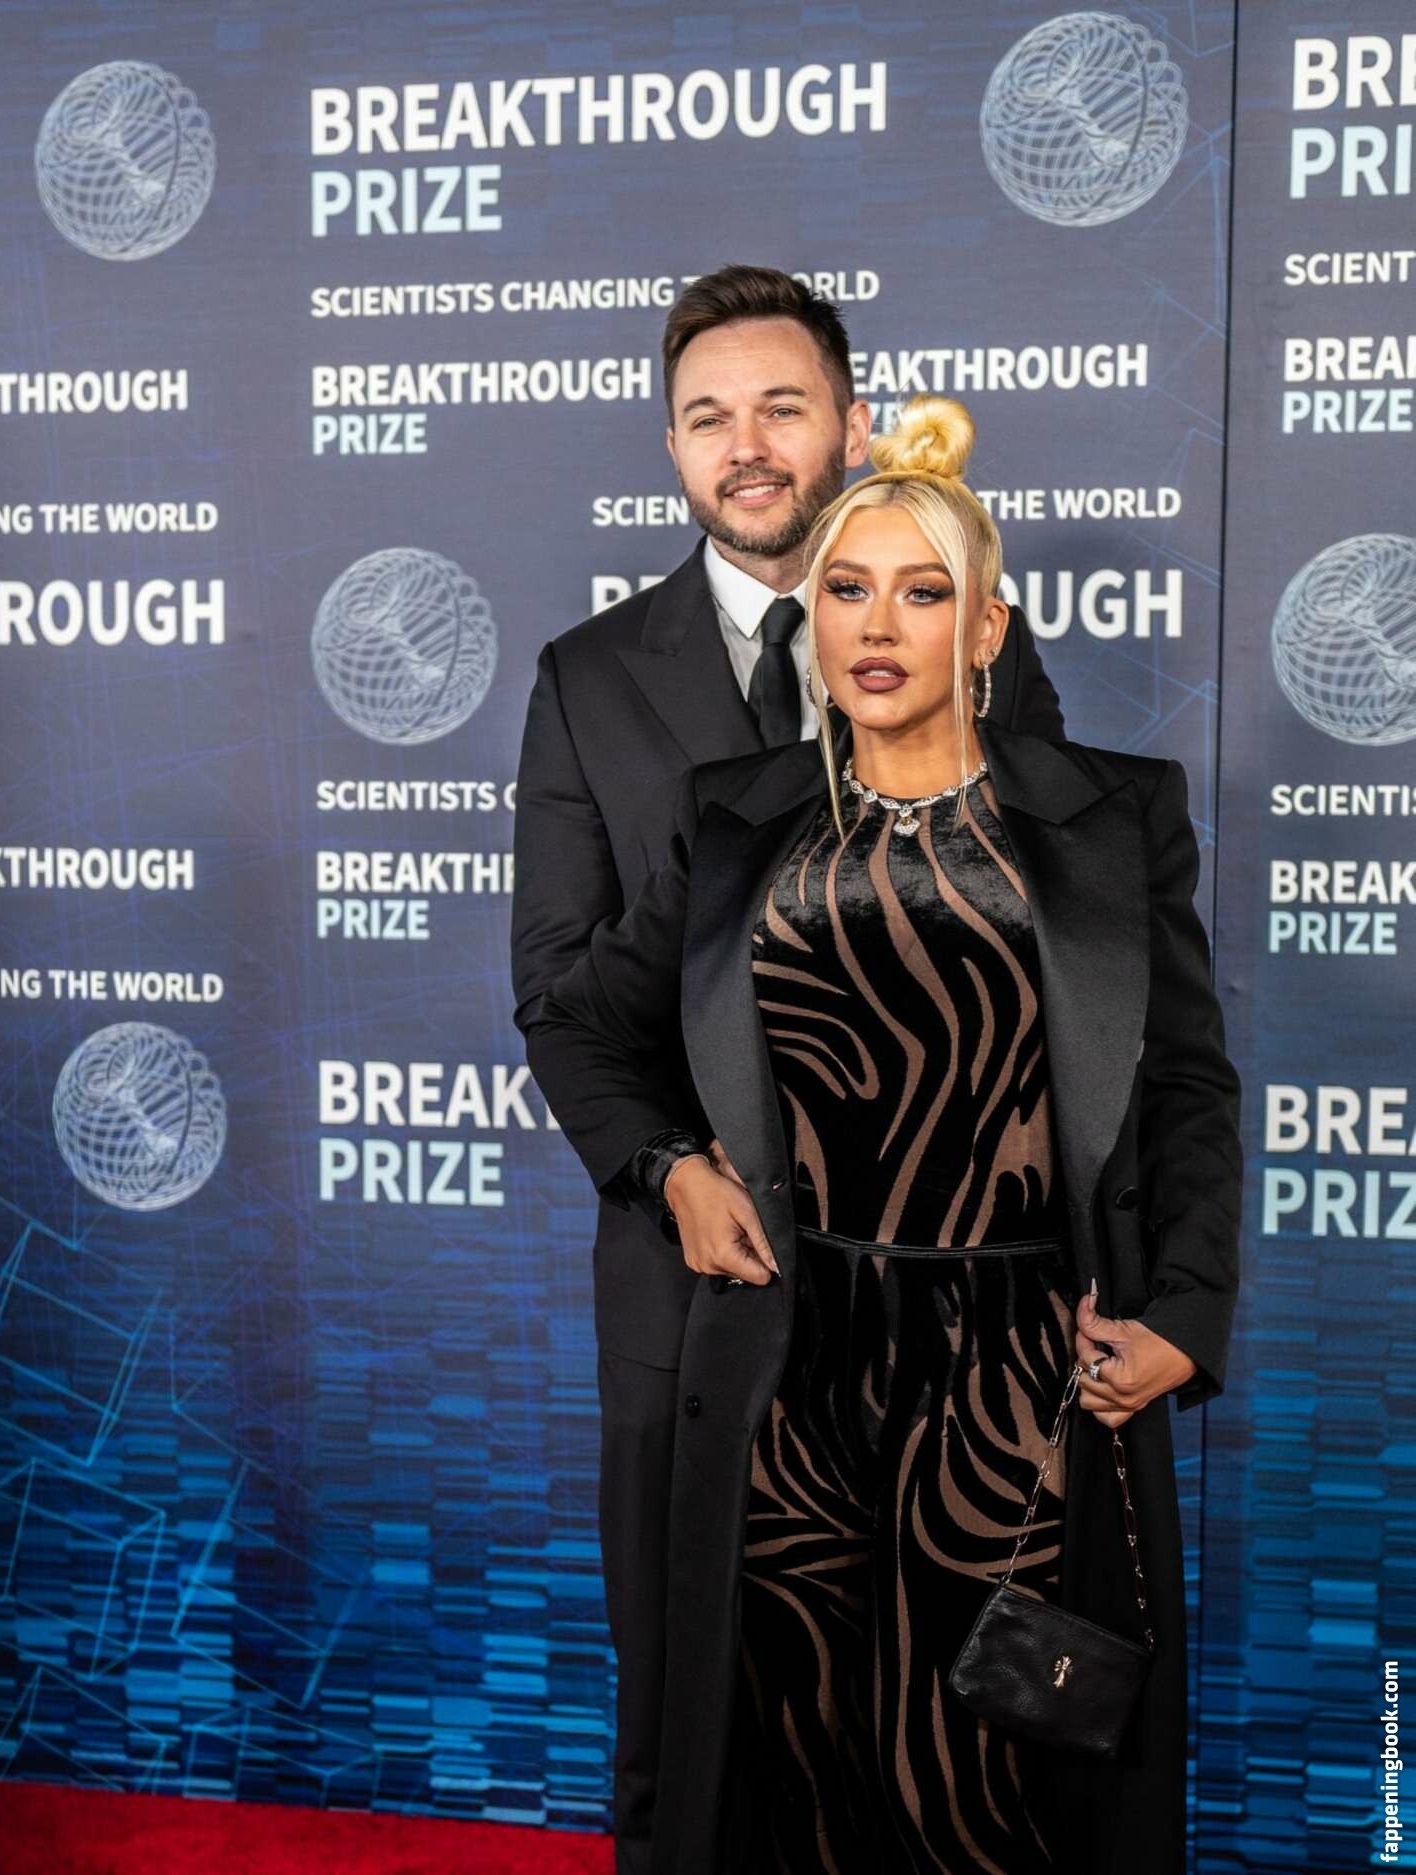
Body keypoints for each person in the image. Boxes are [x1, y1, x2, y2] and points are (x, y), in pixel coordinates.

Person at [522, 392, 1242, 1875]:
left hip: (1026, 1382)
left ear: (985, 633)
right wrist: (669, 1170)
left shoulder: (1111, 820)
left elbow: (1183, 1085)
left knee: (993, 1781)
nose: (878, 625)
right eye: (848, 588)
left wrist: (1188, 1309)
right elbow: (581, 1026)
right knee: (801, 1766)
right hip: (793, 1370)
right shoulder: (738, 821)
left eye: (924, 594)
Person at [510, 266, 1067, 1874]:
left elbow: (1053, 954)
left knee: (922, 1726)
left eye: (781, 407)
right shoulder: (588, 677)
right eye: (708, 417)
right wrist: (668, 1169)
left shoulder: (965, 634)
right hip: (697, 1276)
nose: (745, 446)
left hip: (950, 1291)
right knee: (687, 1717)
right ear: (671, 447)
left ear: (851, 423)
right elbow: (559, 994)